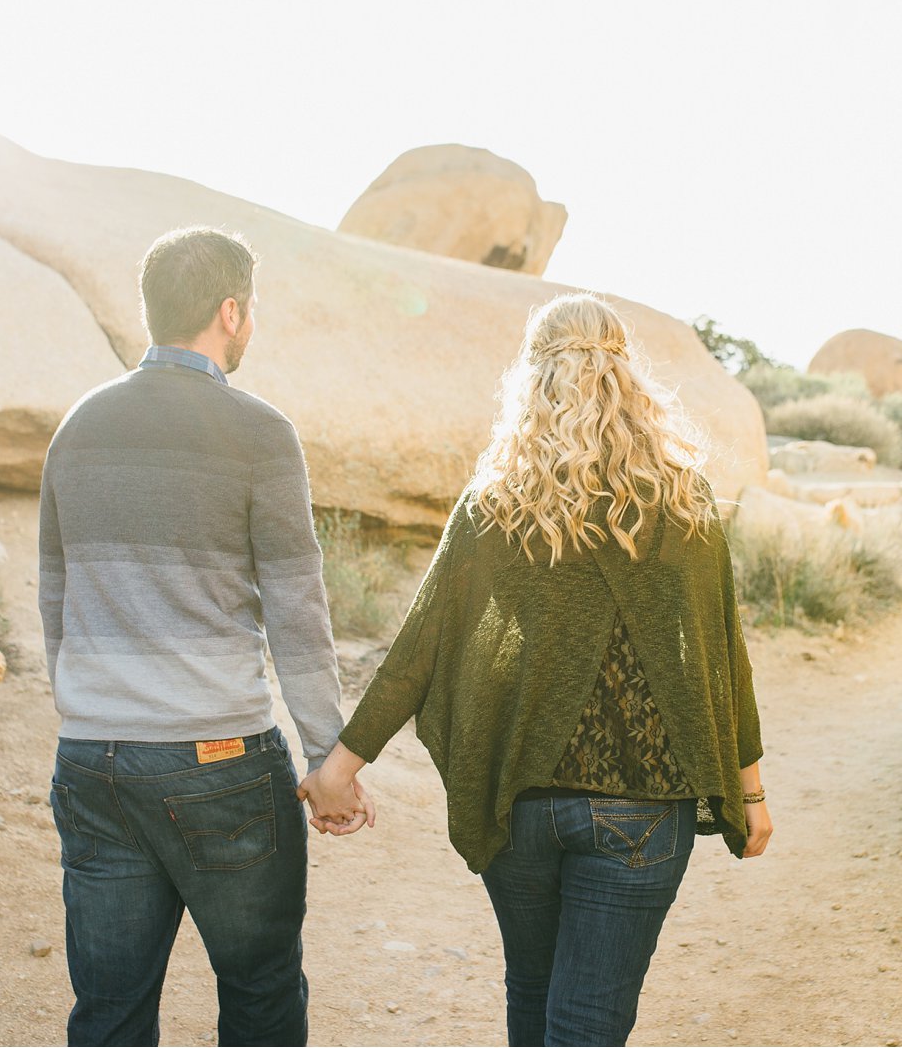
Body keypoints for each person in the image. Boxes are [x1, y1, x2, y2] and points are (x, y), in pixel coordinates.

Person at [300, 294, 771, 1047]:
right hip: (646, 807)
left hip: (522, 799)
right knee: (585, 1021)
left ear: (533, 376)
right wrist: (750, 790)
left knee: (534, 994)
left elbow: (419, 650)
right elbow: (722, 654)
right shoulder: (685, 502)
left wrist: (339, 767)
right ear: (628, 375)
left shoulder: (496, 503)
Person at [37, 227, 366, 1048]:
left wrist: (91, 708)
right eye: (249, 311)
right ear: (230, 311)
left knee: (108, 1011)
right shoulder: (258, 432)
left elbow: (55, 592)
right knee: (259, 994)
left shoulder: (78, 426)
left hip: (94, 758)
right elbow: (297, 610)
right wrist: (329, 754)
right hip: (218, 763)